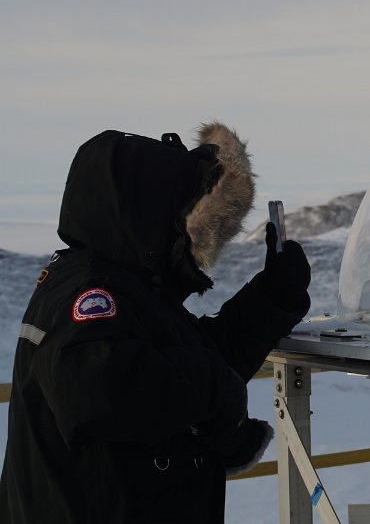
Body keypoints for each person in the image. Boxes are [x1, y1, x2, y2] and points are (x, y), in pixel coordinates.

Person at [0, 123, 311, 523]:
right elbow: (98, 391)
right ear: (148, 213)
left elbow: (199, 356)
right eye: (189, 213)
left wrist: (273, 296)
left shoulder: (133, 287)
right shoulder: (93, 293)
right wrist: (214, 387)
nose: (194, 233)